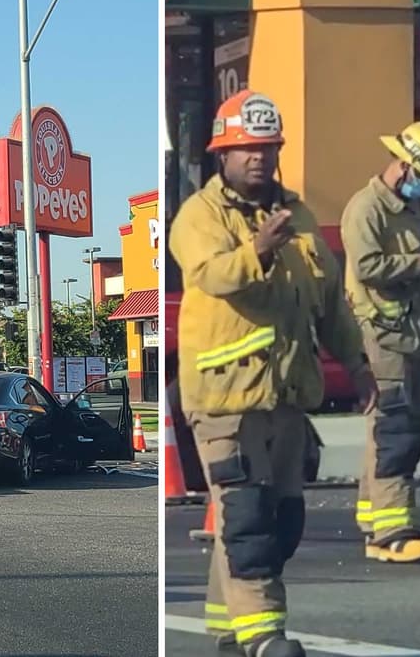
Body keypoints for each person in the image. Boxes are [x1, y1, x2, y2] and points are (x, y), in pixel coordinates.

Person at [170, 89, 378, 657]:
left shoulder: (299, 215)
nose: (258, 158)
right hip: (223, 399)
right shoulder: (199, 217)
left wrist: (357, 365)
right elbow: (212, 275)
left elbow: (330, 299)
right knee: (248, 519)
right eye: (246, 149)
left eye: (267, 147)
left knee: (278, 522)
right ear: (222, 156)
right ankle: (265, 636)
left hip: (285, 397)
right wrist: (257, 251)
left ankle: (227, 631)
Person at [340, 121, 420, 563]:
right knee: (396, 430)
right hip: (382, 335)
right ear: (404, 167)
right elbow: (369, 266)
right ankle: (391, 531)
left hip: (408, 334)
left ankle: (374, 518)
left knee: (387, 426)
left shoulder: (404, 211)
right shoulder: (365, 208)